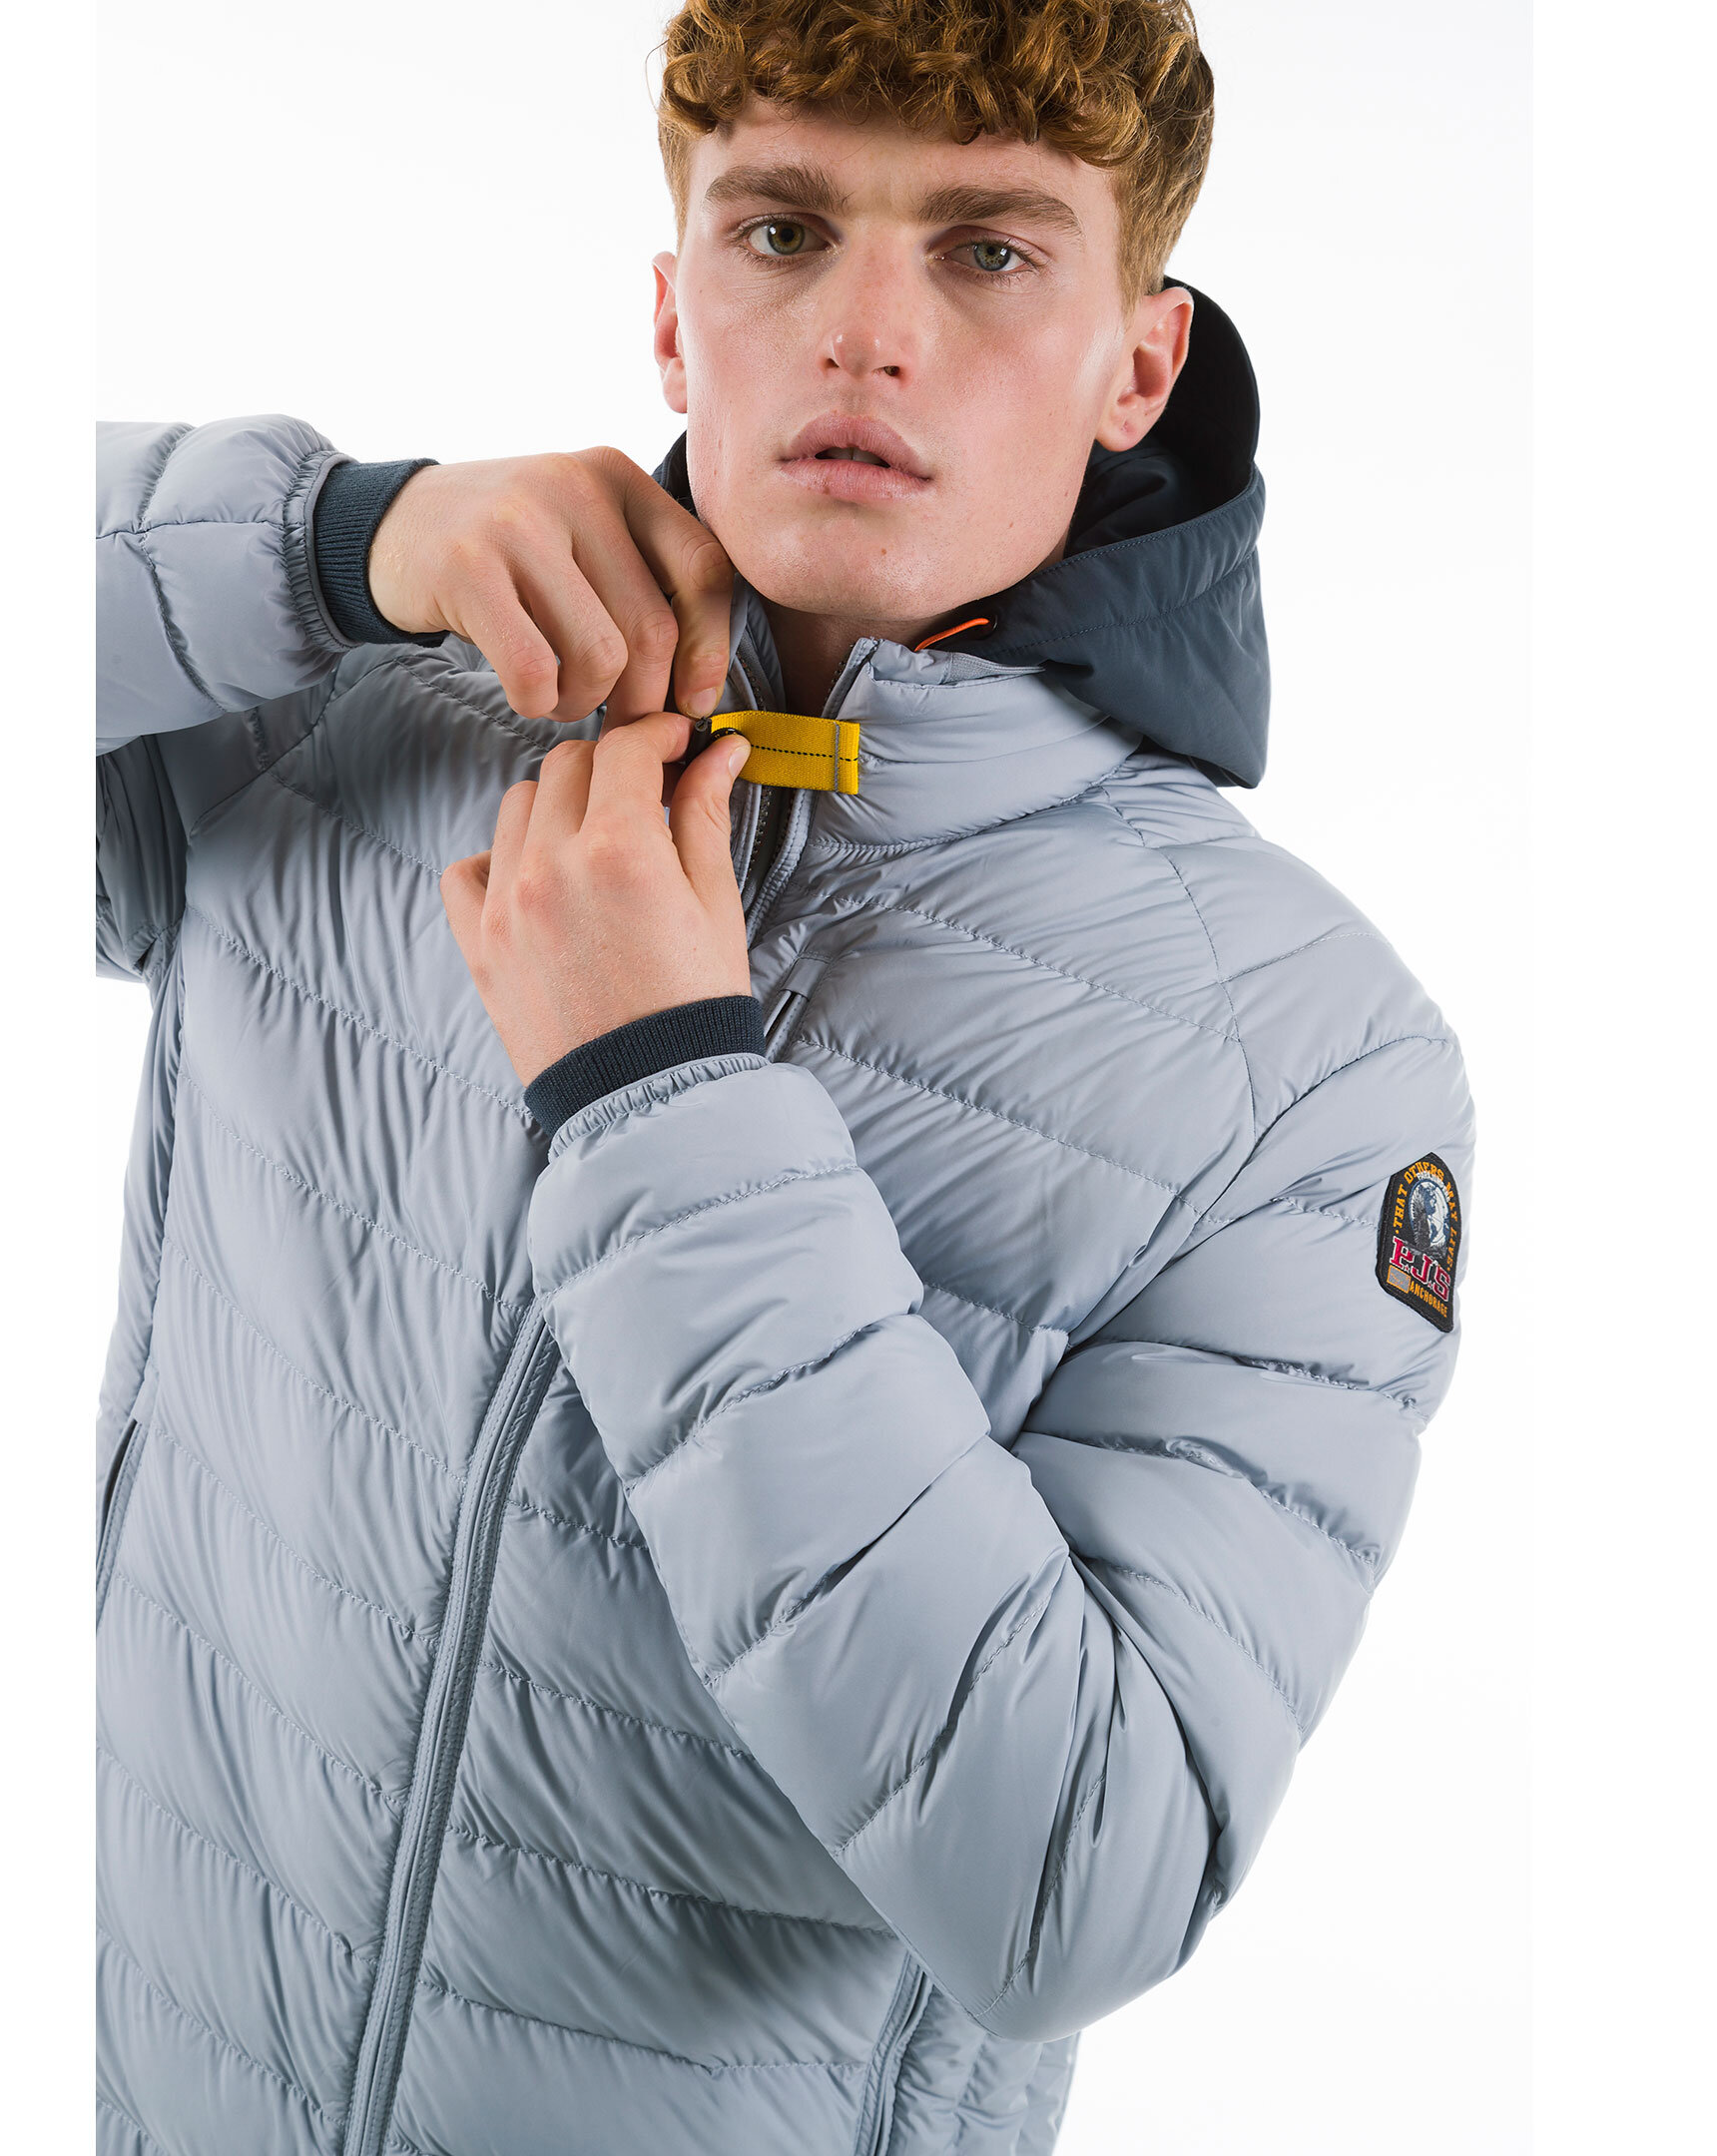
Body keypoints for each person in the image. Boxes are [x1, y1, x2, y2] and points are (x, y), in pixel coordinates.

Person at [93, 3, 1473, 2151]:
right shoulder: (347, 714)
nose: (864, 335)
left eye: (989, 252)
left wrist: (658, 1091)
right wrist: (325, 542)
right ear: (672, 307)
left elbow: (1073, 1884)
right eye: (783, 229)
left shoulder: (1313, 1062)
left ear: (1138, 366)